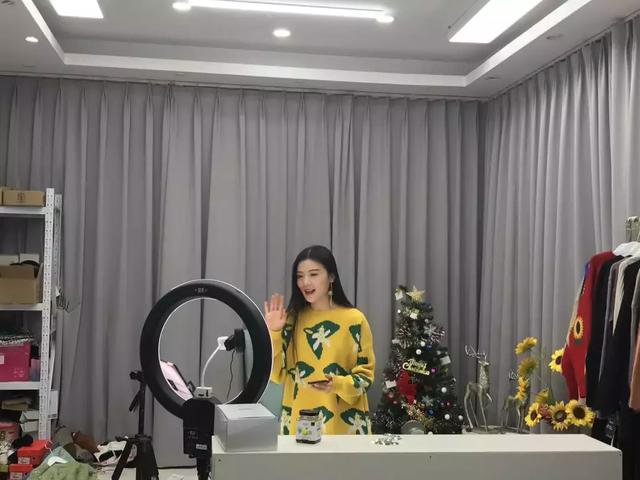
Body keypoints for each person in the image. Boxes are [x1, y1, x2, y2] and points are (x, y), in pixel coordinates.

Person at [265, 245, 375, 435]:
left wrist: (338, 384)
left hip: (344, 423)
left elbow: (366, 377)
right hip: (298, 420)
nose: (305, 282)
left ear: (331, 277)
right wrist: (274, 332)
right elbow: (276, 375)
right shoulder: (291, 319)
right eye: (300, 276)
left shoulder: (355, 320)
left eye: (314, 274)